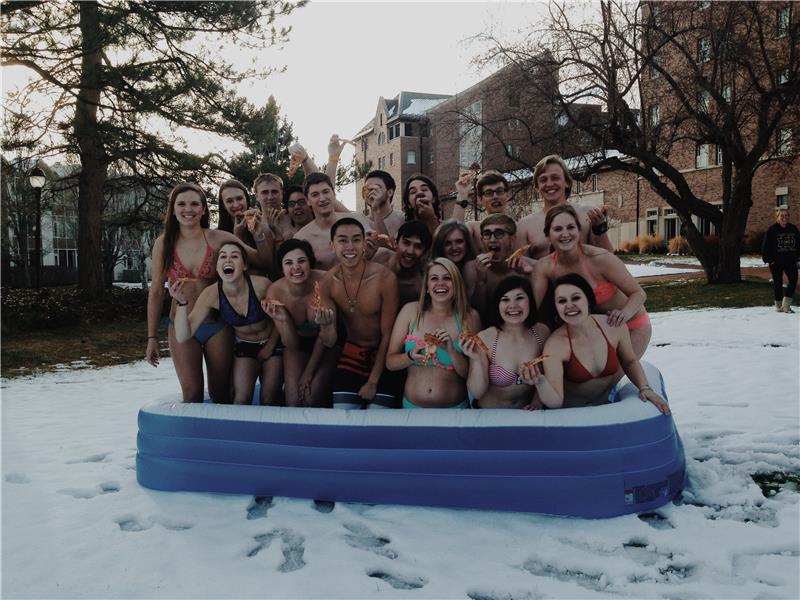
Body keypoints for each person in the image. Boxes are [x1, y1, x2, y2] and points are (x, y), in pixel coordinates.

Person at [146, 182, 273, 403]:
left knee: (221, 393)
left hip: (218, 326)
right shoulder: (164, 243)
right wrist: (151, 337)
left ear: (204, 209)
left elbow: (263, 259)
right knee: (192, 393)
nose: (189, 209)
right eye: (182, 204)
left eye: (195, 204)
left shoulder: (218, 238)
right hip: (181, 325)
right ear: (173, 209)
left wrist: (259, 232)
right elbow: (156, 292)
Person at [522, 273, 669, 414]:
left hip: (605, 408)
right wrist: (540, 381)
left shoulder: (612, 326)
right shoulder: (556, 345)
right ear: (556, 307)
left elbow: (630, 361)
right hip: (570, 414)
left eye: (576, 298)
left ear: (588, 299)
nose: (569, 305)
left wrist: (644, 387)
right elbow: (556, 401)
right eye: (562, 301)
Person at [169, 241, 290, 405]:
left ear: (244, 265)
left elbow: (282, 320)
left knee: (269, 398)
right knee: (240, 399)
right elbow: (183, 335)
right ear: (217, 267)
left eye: (235, 256)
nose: (228, 260)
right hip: (244, 345)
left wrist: (269, 348)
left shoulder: (261, 285)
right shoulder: (211, 294)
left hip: (272, 343)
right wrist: (182, 303)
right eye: (223, 257)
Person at [532, 205, 651, 357]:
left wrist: (624, 314)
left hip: (630, 325)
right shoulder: (545, 267)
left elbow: (638, 293)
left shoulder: (600, 258)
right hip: (592, 333)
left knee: (609, 378)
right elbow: (532, 308)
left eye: (570, 227)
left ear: (579, 231)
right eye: (557, 229)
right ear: (547, 234)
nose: (565, 234)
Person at [318, 217, 401, 408]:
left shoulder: (385, 278)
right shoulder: (327, 283)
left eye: (356, 240)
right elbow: (329, 341)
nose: (350, 247)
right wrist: (326, 325)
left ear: (364, 243)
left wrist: (373, 381)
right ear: (332, 245)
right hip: (352, 354)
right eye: (342, 240)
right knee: (343, 414)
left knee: (377, 416)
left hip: (385, 355)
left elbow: (388, 334)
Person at [386, 258, 481, 408]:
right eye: (434, 278)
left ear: (456, 284)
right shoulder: (410, 311)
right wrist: (410, 356)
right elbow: (390, 362)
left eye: (447, 278)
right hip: (412, 410)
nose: (440, 283)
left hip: (455, 412)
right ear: (427, 287)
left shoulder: (469, 317)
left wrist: (451, 351)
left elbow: (472, 374)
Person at [265, 239, 337, 407]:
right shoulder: (275, 291)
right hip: (297, 345)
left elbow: (329, 339)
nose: (296, 268)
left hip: (327, 344)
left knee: (311, 398)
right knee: (294, 402)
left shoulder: (324, 283)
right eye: (288, 263)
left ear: (310, 263)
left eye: (301, 261)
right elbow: (290, 343)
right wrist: (284, 320)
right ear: (281, 268)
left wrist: (308, 373)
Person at [462, 276, 550, 409]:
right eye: (505, 299)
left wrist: (537, 402)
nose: (512, 305)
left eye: (519, 298)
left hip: (526, 416)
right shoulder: (486, 338)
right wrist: (477, 359)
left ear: (530, 301)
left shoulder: (542, 332)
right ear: (497, 305)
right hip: (490, 416)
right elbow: (477, 392)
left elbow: (548, 374)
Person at [516, 154, 614, 258]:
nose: (549, 184)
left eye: (555, 178)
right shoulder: (525, 225)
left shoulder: (587, 214)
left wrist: (600, 229)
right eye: (543, 180)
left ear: (567, 182)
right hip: (543, 274)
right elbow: (520, 267)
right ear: (536, 187)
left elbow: (609, 259)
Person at [294, 172, 372, 270]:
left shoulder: (357, 220)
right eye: (315, 195)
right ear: (308, 200)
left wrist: (371, 252)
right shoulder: (302, 238)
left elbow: (384, 250)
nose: (322, 198)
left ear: (334, 193)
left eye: (326, 192)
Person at [463, 214, 534, 320]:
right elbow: (475, 315)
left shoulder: (532, 266)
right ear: (482, 239)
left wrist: (528, 277)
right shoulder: (471, 268)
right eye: (487, 234)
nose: (492, 239)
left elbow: (537, 312)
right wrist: (481, 280)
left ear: (513, 239)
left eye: (499, 233)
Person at [451, 170, 517, 252]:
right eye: (489, 193)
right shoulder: (474, 229)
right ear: (480, 199)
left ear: (508, 195)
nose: (495, 197)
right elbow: (453, 235)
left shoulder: (519, 228)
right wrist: (462, 194)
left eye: (499, 191)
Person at [372, 220, 432, 306]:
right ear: (395, 243)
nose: (410, 251)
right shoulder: (380, 257)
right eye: (406, 243)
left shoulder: (422, 281)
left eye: (418, 246)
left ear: (425, 252)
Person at [762, 206, 799, 313]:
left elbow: (798, 244)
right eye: (782, 216)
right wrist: (769, 260)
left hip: (790, 261)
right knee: (778, 283)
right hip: (776, 262)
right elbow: (765, 246)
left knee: (793, 280)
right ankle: (778, 306)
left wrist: (797, 257)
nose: (784, 217)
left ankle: (786, 305)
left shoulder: (793, 229)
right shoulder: (771, 230)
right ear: (777, 217)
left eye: (786, 215)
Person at [362, 170, 406, 238]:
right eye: (367, 188)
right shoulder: (360, 221)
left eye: (377, 187)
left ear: (390, 192)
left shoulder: (403, 219)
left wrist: (376, 209)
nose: (371, 191)